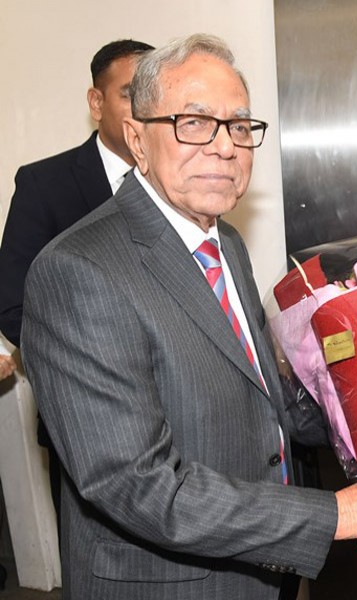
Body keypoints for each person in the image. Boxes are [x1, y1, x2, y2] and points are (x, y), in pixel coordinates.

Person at [20, 33, 357, 600]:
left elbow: (261, 397)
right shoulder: (79, 270)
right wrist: (340, 513)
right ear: (137, 139)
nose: (224, 146)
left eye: (239, 126)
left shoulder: (225, 243)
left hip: (259, 569)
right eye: (194, 123)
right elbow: (138, 485)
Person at [0, 38, 154, 519]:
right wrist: (98, 367)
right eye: (130, 94)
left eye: (154, 95)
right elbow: (14, 306)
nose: (144, 109)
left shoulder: (180, 182)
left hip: (183, 424)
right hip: (84, 426)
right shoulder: (44, 184)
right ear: (96, 102)